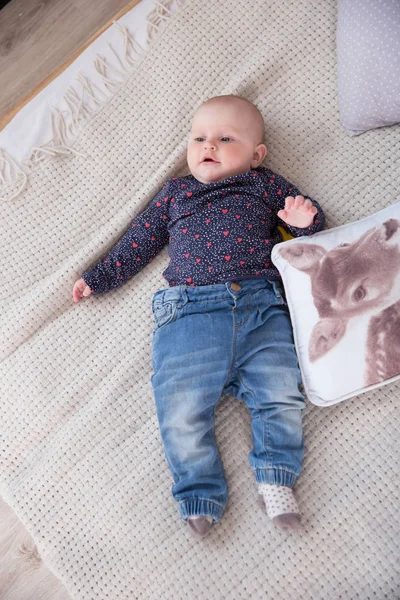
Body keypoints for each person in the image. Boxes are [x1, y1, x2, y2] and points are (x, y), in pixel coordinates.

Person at [73, 95, 324, 539]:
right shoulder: (176, 191)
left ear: (256, 155)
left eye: (226, 138)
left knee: (282, 393)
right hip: (190, 312)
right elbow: (140, 240)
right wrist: (101, 277)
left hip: (261, 307)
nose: (209, 145)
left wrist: (304, 221)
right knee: (181, 407)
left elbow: (308, 231)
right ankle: (199, 493)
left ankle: (276, 478)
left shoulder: (264, 185)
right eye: (199, 138)